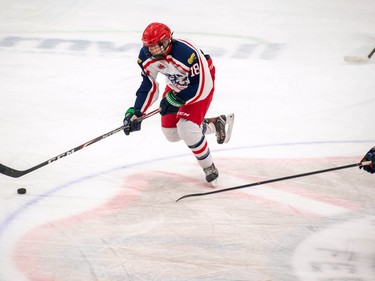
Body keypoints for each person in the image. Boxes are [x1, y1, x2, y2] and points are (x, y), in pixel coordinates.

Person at [123, 22, 234, 183]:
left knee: (186, 128)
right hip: (176, 85)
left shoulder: (186, 53)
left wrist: (178, 99)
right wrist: (137, 111)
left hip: (200, 84)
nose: (153, 51)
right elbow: (149, 85)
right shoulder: (145, 57)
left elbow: (203, 85)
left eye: (157, 46)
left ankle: (208, 166)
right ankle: (213, 124)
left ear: (167, 41)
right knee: (172, 134)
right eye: (149, 46)